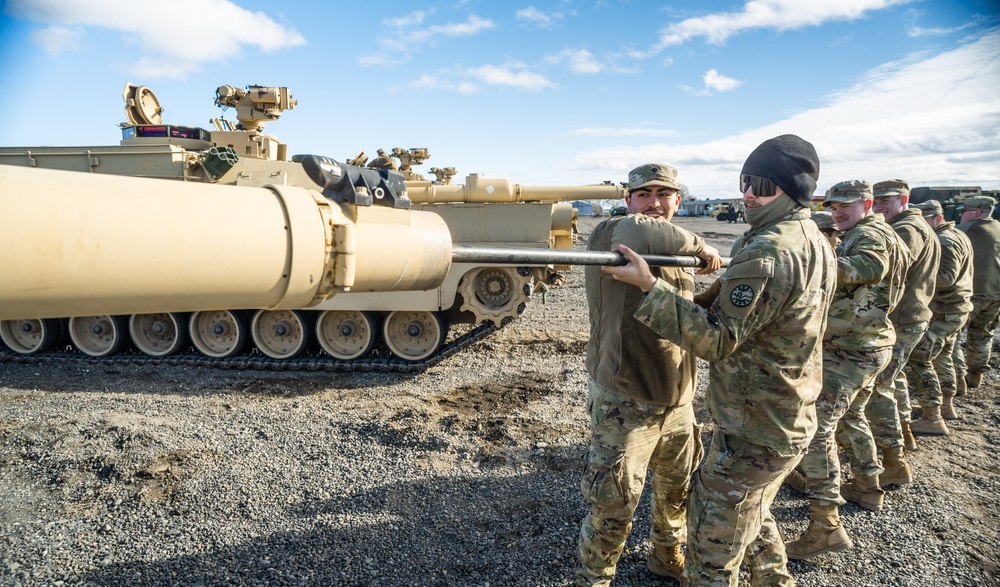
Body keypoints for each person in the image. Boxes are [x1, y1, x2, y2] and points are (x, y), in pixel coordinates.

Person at [603, 135, 836, 586]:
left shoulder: (768, 250)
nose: (749, 193)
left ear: (794, 189)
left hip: (756, 428)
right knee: (752, 512)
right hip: (787, 416)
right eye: (746, 181)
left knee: (712, 550)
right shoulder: (811, 237)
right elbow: (752, 310)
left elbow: (717, 339)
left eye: (763, 185)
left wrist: (652, 288)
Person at [576, 163, 722, 587]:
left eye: (664, 194)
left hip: (678, 399)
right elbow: (636, 232)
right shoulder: (613, 232)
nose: (654, 203)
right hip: (626, 397)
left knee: (675, 492)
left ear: (678, 200)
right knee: (614, 503)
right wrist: (702, 245)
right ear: (628, 200)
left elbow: (683, 313)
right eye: (644, 194)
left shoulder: (672, 253)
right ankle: (595, 579)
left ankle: (665, 554)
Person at [783, 180, 907, 560]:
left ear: (867, 204)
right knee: (851, 415)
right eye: (833, 206)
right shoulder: (867, 231)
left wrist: (812, 258)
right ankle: (867, 485)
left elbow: (867, 268)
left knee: (817, 429)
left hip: (853, 348)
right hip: (864, 344)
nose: (837, 213)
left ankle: (825, 525)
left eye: (846, 206)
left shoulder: (872, 235)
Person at [868, 179, 940, 471]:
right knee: (894, 379)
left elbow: (888, 270)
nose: (881, 206)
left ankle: (893, 460)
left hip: (901, 319)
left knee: (879, 386)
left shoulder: (906, 230)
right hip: (910, 317)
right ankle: (905, 432)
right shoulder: (917, 225)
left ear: (904, 199)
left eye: (887, 200)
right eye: (878, 200)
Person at [905, 200, 973, 428]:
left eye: (925, 220)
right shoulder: (955, 234)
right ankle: (946, 406)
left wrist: (916, 273)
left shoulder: (944, 240)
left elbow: (946, 277)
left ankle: (932, 417)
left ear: (938, 218)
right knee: (943, 357)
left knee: (919, 359)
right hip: (954, 309)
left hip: (944, 310)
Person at [954, 196, 1000, 391]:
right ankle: (976, 375)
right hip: (996, 292)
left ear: (976, 212)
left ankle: (957, 380)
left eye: (963, 212)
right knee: (983, 333)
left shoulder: (964, 230)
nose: (961, 215)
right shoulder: (998, 227)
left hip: (971, 292)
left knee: (952, 337)